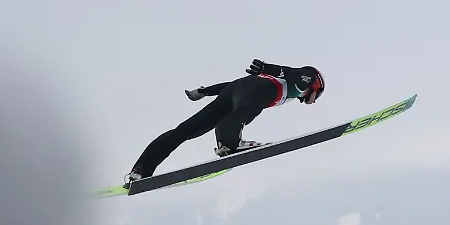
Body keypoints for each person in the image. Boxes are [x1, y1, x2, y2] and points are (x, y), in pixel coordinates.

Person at [124, 59, 325, 186]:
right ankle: (230, 143)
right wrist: (267, 67)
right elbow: (289, 71)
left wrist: (205, 91)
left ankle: (141, 171)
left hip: (236, 91)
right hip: (256, 90)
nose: (315, 100)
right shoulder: (304, 80)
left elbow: (234, 86)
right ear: (316, 86)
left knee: (185, 130)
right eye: (318, 95)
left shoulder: (290, 91)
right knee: (245, 110)